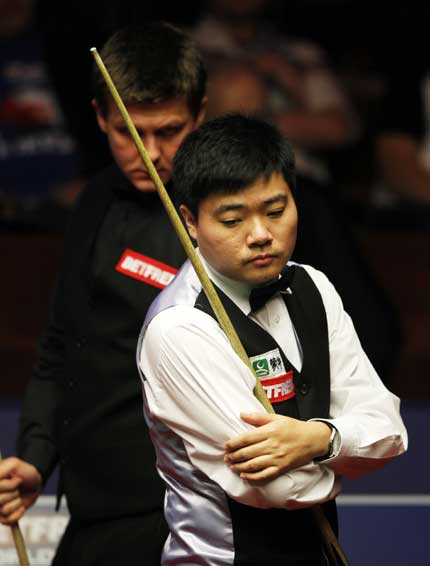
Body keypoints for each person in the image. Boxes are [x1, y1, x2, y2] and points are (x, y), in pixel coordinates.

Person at [137, 114, 407, 565]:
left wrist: (317, 440)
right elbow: (280, 489)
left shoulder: (312, 286)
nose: (261, 234)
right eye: (232, 218)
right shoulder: (179, 328)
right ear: (190, 221)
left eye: (276, 211)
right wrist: (346, 444)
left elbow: (390, 431)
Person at [0, 22, 207, 565]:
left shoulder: (221, 219)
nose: (151, 152)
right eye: (128, 132)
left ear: (200, 114)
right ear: (98, 117)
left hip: (188, 511)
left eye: (169, 130)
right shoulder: (93, 202)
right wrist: (35, 457)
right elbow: (61, 346)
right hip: (93, 506)